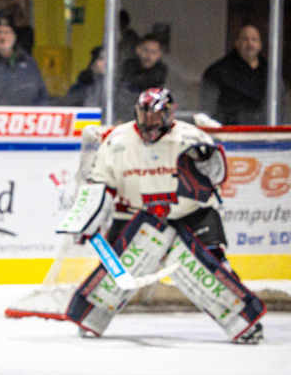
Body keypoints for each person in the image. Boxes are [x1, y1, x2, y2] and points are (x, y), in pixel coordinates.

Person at [61, 87, 266, 344]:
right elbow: (100, 186)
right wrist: (86, 219)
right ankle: (91, 318)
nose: (150, 122)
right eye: (144, 114)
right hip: (136, 216)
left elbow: (216, 178)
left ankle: (244, 322)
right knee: (115, 270)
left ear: (171, 114)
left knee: (212, 268)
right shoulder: (116, 141)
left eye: (156, 115)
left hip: (191, 214)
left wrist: (208, 162)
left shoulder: (192, 138)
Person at [199, 25, 267, 125]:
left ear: (260, 45)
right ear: (237, 43)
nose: (250, 44)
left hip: (262, 131)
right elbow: (208, 107)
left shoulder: (270, 72)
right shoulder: (220, 70)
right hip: (230, 131)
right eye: (245, 39)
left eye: (254, 39)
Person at [116, 34, 167, 119]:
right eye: (145, 50)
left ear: (159, 54)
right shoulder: (127, 68)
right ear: (138, 49)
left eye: (153, 52)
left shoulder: (163, 74)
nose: (148, 55)